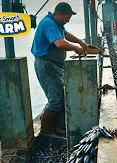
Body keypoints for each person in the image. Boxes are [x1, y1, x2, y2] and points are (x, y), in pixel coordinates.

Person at [31, 2, 87, 137]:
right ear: (59, 14)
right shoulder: (49, 23)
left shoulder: (57, 24)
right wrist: (76, 49)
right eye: (67, 17)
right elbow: (60, 43)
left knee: (59, 96)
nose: (68, 20)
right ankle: (47, 131)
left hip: (54, 65)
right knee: (55, 99)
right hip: (47, 65)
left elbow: (65, 35)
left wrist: (80, 41)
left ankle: (56, 128)